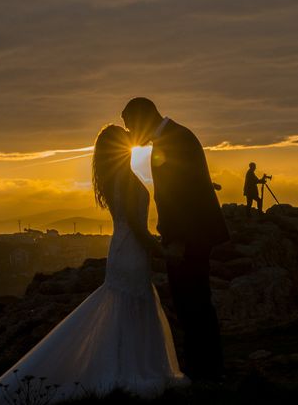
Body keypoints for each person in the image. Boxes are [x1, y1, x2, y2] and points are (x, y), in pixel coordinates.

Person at [0, 124, 188, 405]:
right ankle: (129, 368)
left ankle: (124, 365)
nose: (130, 141)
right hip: (132, 253)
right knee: (133, 307)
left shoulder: (115, 179)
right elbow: (137, 227)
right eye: (125, 139)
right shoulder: (126, 180)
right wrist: (162, 251)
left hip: (121, 252)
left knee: (124, 309)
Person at [121, 97, 230, 381]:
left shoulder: (174, 141)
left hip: (188, 239)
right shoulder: (177, 137)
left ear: (143, 120)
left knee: (192, 304)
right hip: (193, 235)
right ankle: (207, 369)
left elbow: (180, 197)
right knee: (194, 303)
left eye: (131, 127)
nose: (131, 135)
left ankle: (205, 372)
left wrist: (177, 240)